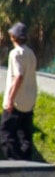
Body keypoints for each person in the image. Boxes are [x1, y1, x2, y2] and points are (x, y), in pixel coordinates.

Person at [0, 23, 41, 161]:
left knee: (6, 131)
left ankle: (14, 160)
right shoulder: (31, 53)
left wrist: (10, 98)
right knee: (25, 134)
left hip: (17, 100)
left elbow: (19, 76)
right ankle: (26, 160)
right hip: (29, 100)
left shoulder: (15, 54)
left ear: (14, 37)